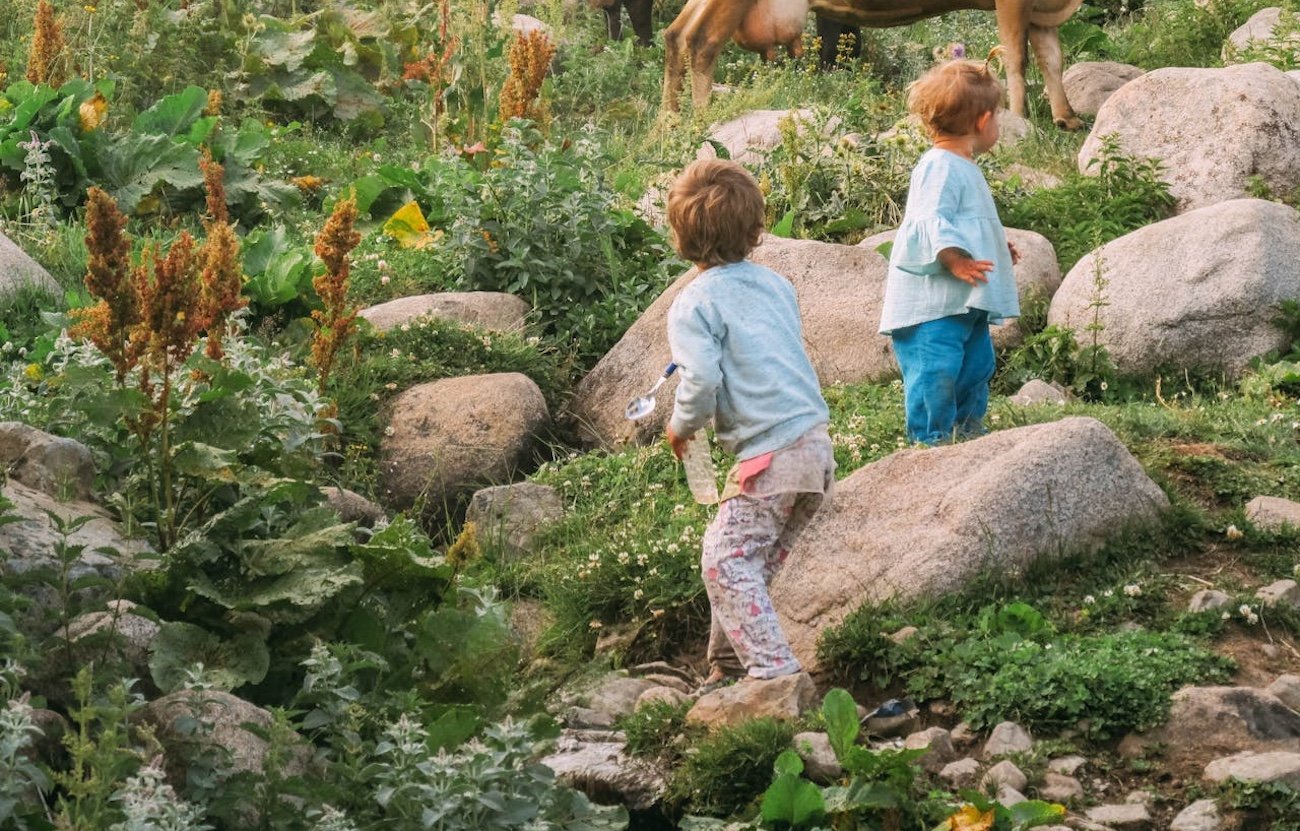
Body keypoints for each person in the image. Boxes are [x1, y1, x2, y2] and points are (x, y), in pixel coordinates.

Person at [663, 159, 836, 688]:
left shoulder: (693, 302)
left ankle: (776, 675)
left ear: (679, 236)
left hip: (770, 456)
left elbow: (701, 381)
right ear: (757, 230)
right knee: (747, 562)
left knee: (724, 560)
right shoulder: (775, 285)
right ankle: (729, 662)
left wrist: (681, 426)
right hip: (814, 446)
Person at [878, 52, 1021, 446]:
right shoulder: (938, 165)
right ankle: (932, 438)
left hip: (964, 302)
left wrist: (992, 244)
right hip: (934, 307)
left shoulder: (962, 165)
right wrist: (956, 259)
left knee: (976, 365)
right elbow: (929, 219)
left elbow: (962, 221)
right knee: (935, 369)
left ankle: (967, 431)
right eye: (998, 114)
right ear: (983, 120)